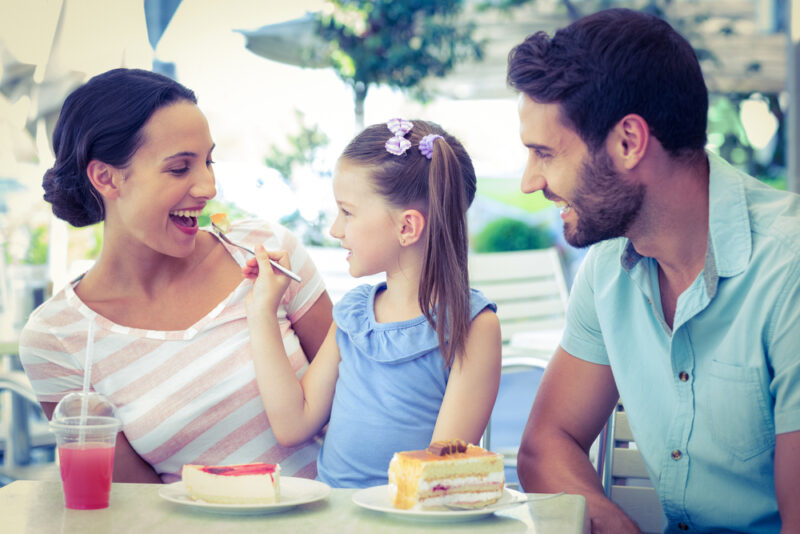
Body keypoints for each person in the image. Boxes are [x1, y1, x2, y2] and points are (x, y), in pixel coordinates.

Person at [507, 8, 800, 534]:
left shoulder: (789, 271)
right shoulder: (606, 271)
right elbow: (547, 444)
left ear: (628, 142)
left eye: (544, 153)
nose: (531, 182)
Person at [18, 68, 334, 483]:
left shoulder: (266, 251)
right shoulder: (58, 337)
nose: (208, 187)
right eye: (179, 168)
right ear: (106, 178)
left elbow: (364, 392)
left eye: (208, 161)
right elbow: (137, 507)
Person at [243, 118, 502, 488]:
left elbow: (440, 478)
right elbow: (293, 424)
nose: (335, 229)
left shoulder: (472, 326)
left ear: (407, 227)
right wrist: (262, 313)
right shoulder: (353, 315)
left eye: (347, 212)